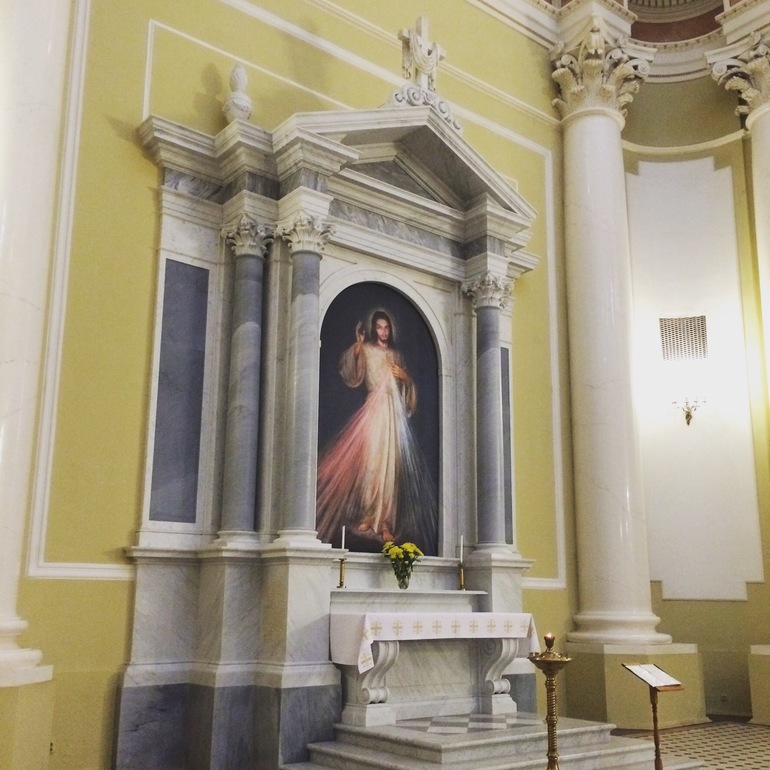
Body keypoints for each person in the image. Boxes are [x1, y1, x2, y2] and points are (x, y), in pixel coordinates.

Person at [316, 309, 437, 551]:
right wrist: (358, 347)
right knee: (371, 465)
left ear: (390, 329)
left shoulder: (396, 355)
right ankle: (368, 515)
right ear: (374, 329)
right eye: (379, 327)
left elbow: (407, 391)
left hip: (394, 416)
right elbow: (352, 374)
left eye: (386, 327)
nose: (383, 331)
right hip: (374, 411)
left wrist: (406, 378)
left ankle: (385, 523)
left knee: (390, 469)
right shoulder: (367, 350)